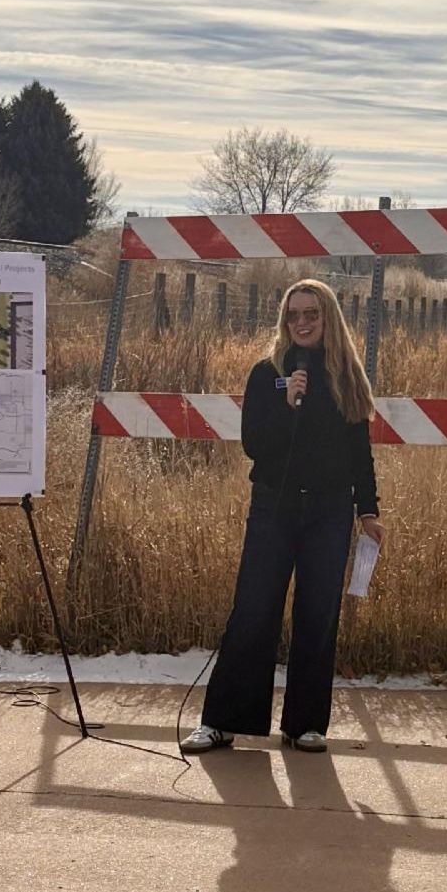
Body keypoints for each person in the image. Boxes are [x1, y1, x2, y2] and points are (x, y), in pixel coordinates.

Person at [181, 279, 385, 755]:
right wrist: (288, 404)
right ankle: (222, 721)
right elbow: (254, 443)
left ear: (328, 317)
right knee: (253, 611)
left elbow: (360, 453)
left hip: (330, 512)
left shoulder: (347, 377)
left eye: (311, 313)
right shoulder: (266, 373)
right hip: (275, 506)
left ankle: (305, 724)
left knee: (317, 615)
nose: (302, 322)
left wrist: (368, 510)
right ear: (284, 321)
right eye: (294, 314)